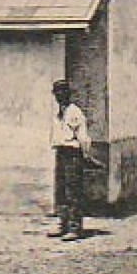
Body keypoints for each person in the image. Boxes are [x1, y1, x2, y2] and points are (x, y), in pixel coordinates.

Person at [50, 79, 96, 241]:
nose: (59, 96)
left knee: (73, 191)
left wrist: (86, 156)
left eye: (62, 92)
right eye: (56, 93)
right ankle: (63, 224)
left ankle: (75, 227)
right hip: (61, 152)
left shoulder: (74, 112)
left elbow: (83, 138)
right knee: (61, 190)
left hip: (73, 153)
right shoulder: (58, 114)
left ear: (68, 94)